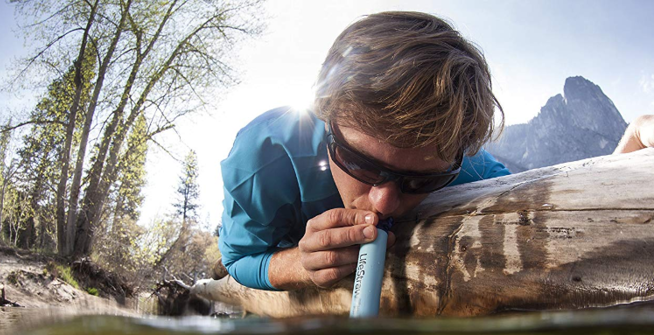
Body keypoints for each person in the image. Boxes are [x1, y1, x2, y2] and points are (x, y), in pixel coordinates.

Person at [218, 11, 652, 292]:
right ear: (324, 114)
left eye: (420, 182)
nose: (386, 201)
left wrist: (626, 159)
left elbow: (555, 208)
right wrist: (298, 264)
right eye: (359, 163)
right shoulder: (263, 157)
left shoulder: (460, 164)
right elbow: (237, 258)